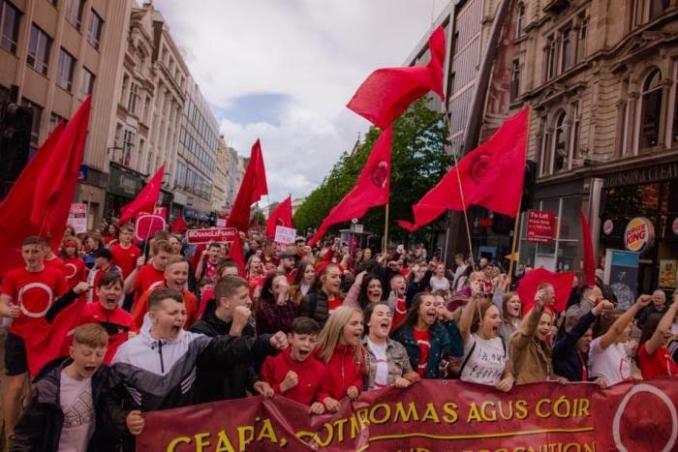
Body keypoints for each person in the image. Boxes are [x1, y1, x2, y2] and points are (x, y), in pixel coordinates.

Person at [104, 288, 288, 451]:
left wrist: (266, 342)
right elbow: (108, 398)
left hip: (186, 439)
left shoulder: (192, 342)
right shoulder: (127, 353)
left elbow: (226, 348)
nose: (180, 317)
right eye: (173, 312)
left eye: (183, 312)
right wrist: (124, 419)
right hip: (143, 441)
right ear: (152, 316)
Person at [0, 236, 73, 443]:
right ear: (22, 254)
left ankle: (32, 429)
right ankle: (10, 434)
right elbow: (2, 303)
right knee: (15, 386)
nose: (30, 256)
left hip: (44, 338)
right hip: (19, 336)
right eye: (27, 252)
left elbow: (64, 303)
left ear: (43, 252)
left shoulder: (56, 274)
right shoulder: (13, 275)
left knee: (38, 387)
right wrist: (8, 310)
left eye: (35, 251)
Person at [12, 324, 116, 451]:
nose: (93, 360)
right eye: (86, 354)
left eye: (99, 355)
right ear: (72, 352)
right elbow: (26, 434)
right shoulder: (47, 389)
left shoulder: (102, 380)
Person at [189, 277, 279, 403]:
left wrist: (253, 381)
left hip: (236, 402)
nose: (249, 301)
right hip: (209, 404)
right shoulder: (199, 331)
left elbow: (243, 361)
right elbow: (219, 364)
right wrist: (236, 328)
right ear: (225, 302)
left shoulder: (246, 326)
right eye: (243, 297)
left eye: (249, 296)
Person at [47, 272, 137, 364]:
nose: (112, 292)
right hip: (82, 368)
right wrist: (73, 292)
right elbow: (53, 316)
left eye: (117, 289)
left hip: (111, 372)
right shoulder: (84, 311)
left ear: (122, 293)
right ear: (97, 291)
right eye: (107, 288)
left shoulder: (128, 320)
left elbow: (132, 348)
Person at [260, 317, 326, 414]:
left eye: (312, 340)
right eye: (302, 338)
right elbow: (261, 399)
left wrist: (320, 403)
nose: (307, 344)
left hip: (303, 424)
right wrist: (283, 386)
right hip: (275, 423)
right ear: (290, 338)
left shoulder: (320, 368)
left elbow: (323, 392)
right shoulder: (272, 361)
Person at [391, 293, 464, 379]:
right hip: (407, 387)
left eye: (435, 305)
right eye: (428, 304)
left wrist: (450, 319)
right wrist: (403, 375)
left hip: (430, 388)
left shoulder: (440, 333)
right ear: (418, 309)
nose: (433, 307)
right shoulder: (402, 333)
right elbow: (391, 362)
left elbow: (457, 351)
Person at [458, 280, 514, 391]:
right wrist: (473, 298)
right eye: (494, 317)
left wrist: (509, 379)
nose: (499, 321)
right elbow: (464, 328)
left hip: (491, 404)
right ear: (480, 321)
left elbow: (507, 373)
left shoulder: (501, 343)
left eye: (499, 317)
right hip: (469, 401)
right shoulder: (471, 341)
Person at [589, 294, 652, 386]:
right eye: (626, 327)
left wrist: (631, 379)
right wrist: (637, 306)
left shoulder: (621, 346)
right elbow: (616, 330)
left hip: (619, 397)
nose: (629, 330)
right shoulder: (600, 345)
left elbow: (618, 376)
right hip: (603, 397)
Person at [509, 284, 566, 384]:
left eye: (548, 324)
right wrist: (537, 309)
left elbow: (546, 376)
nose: (546, 327)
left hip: (541, 397)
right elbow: (528, 331)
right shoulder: (521, 342)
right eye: (541, 323)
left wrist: (557, 379)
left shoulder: (544, 346)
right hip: (525, 397)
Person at [315, 306, 365, 413]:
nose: (360, 327)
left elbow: (360, 377)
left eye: (361, 323)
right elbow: (309, 382)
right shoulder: (319, 351)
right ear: (340, 327)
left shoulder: (360, 351)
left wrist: (356, 387)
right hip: (323, 416)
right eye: (354, 323)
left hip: (349, 415)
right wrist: (323, 398)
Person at [552, 298, 614, 386]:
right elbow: (576, 332)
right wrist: (595, 311)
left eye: (590, 335)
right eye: (585, 336)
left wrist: (596, 381)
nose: (589, 339)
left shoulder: (582, 354)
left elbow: (581, 382)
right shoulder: (562, 349)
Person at [363, 302, 419, 391]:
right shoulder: (358, 347)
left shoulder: (399, 348)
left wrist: (406, 379)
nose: (386, 317)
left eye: (388, 315)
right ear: (368, 321)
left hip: (391, 403)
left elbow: (411, 376)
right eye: (380, 314)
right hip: (366, 403)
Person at [131, 256, 198, 329]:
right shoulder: (149, 296)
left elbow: (193, 328)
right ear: (166, 275)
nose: (181, 277)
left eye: (184, 273)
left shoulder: (191, 299)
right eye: (176, 273)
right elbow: (133, 325)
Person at [637, 295, 678, 379]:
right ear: (653, 331)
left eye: (670, 328)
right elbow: (661, 331)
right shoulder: (647, 349)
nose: (669, 332)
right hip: (653, 391)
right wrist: (675, 306)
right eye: (667, 328)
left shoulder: (666, 350)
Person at [299, 263, 343, 328]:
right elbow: (303, 328)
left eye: (339, 276)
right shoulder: (309, 300)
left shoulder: (343, 299)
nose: (338, 280)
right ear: (323, 279)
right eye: (334, 277)